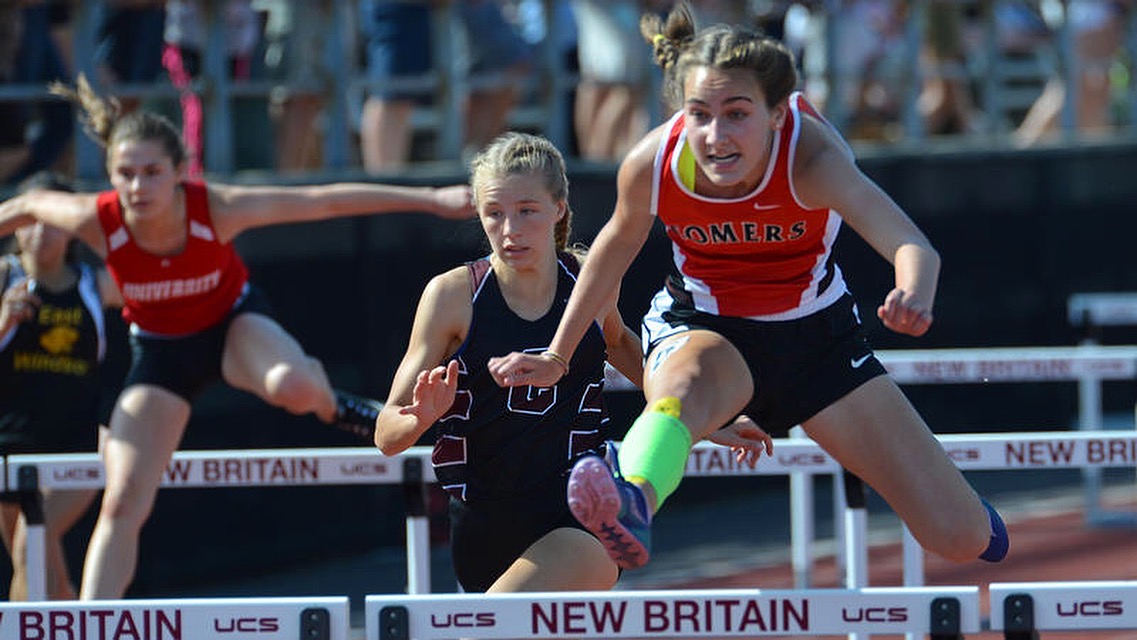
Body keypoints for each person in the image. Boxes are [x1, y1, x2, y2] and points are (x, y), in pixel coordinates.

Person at [487, 2, 1009, 571]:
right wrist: (559, 354)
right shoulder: (654, 163)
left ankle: (970, 516)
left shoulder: (812, 159)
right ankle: (629, 493)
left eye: (737, 114)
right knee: (680, 390)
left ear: (778, 113)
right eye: (699, 114)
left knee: (960, 538)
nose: (715, 137)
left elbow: (912, 246)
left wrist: (913, 291)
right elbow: (610, 255)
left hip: (816, 340)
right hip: (706, 326)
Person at [0, 74, 475, 599]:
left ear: (181, 172)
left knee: (293, 386)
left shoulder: (217, 207)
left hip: (232, 328)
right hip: (161, 353)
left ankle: (328, 401)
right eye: (125, 174)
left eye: (153, 173)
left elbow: (321, 201)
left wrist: (432, 198)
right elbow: (26, 206)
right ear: (110, 176)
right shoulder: (97, 218)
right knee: (122, 498)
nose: (138, 188)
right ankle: (95, 625)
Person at [374, 131, 770, 593]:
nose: (509, 230)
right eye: (494, 214)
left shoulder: (588, 282)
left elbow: (621, 346)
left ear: (559, 207)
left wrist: (697, 417)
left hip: (579, 515)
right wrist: (421, 417)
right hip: (483, 523)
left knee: (489, 629)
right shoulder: (452, 297)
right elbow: (387, 435)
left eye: (526, 211)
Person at [0, 173, 123, 600]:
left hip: (77, 446)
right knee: (46, 573)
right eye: (28, 218)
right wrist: (3, 323)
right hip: (9, 450)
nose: (38, 231)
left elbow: (153, 284)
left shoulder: (95, 284)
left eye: (50, 219)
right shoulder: (3, 280)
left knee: (31, 541)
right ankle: (71, 624)